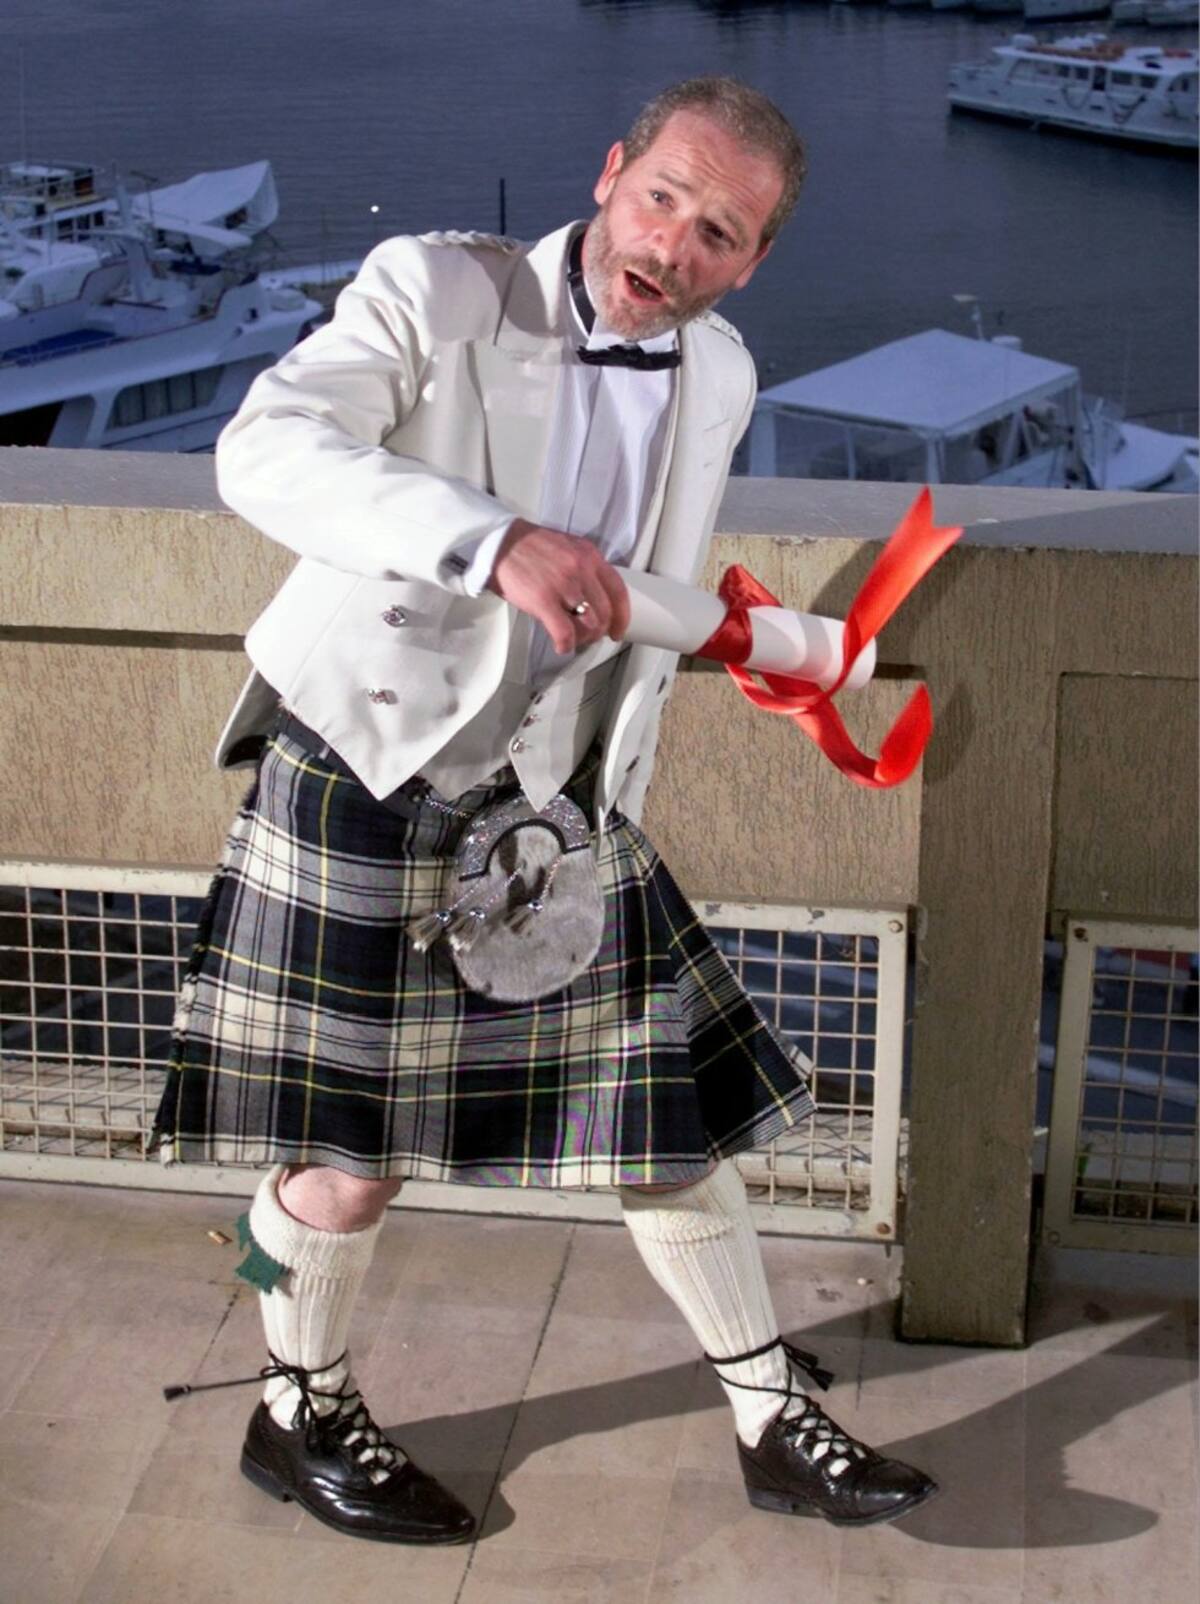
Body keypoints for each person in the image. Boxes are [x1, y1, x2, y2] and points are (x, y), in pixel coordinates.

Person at [154, 76, 938, 1546]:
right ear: (611, 172)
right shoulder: (438, 290)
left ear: (753, 261)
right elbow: (263, 449)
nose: (673, 248)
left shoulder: (721, 374)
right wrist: (489, 539)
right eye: (662, 199)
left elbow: (635, 592)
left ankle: (768, 1412)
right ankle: (293, 1401)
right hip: (370, 761)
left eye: (719, 233)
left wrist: (763, 645)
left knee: (665, 1123)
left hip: (554, 800)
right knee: (346, 1165)